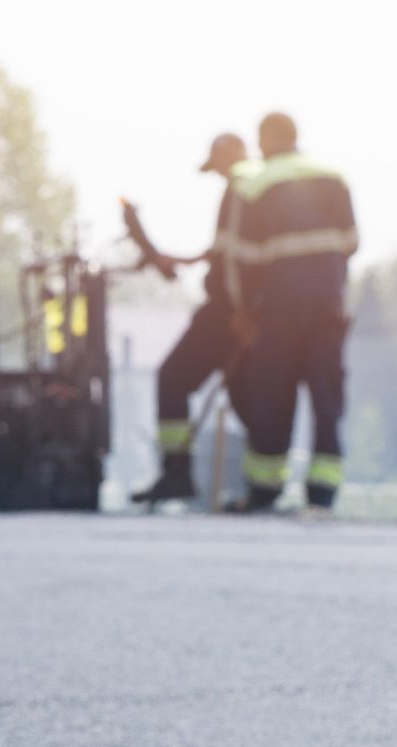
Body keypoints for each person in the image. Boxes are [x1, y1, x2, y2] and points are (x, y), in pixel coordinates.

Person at [224, 112, 357, 513]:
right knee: (327, 398)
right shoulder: (334, 177)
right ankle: (323, 493)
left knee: (272, 397)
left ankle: (265, 489)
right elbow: (351, 242)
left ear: (264, 139)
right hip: (329, 306)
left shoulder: (253, 184)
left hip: (279, 309)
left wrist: (243, 310)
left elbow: (241, 258)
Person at [127, 132, 254, 506]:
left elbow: (235, 259)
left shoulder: (241, 188)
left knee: (173, 378)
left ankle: (178, 473)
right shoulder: (246, 190)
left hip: (227, 312)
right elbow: (223, 251)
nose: (217, 174)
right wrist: (180, 261)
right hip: (238, 309)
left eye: (218, 165)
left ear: (231, 155)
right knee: (246, 396)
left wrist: (239, 308)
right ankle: (263, 487)